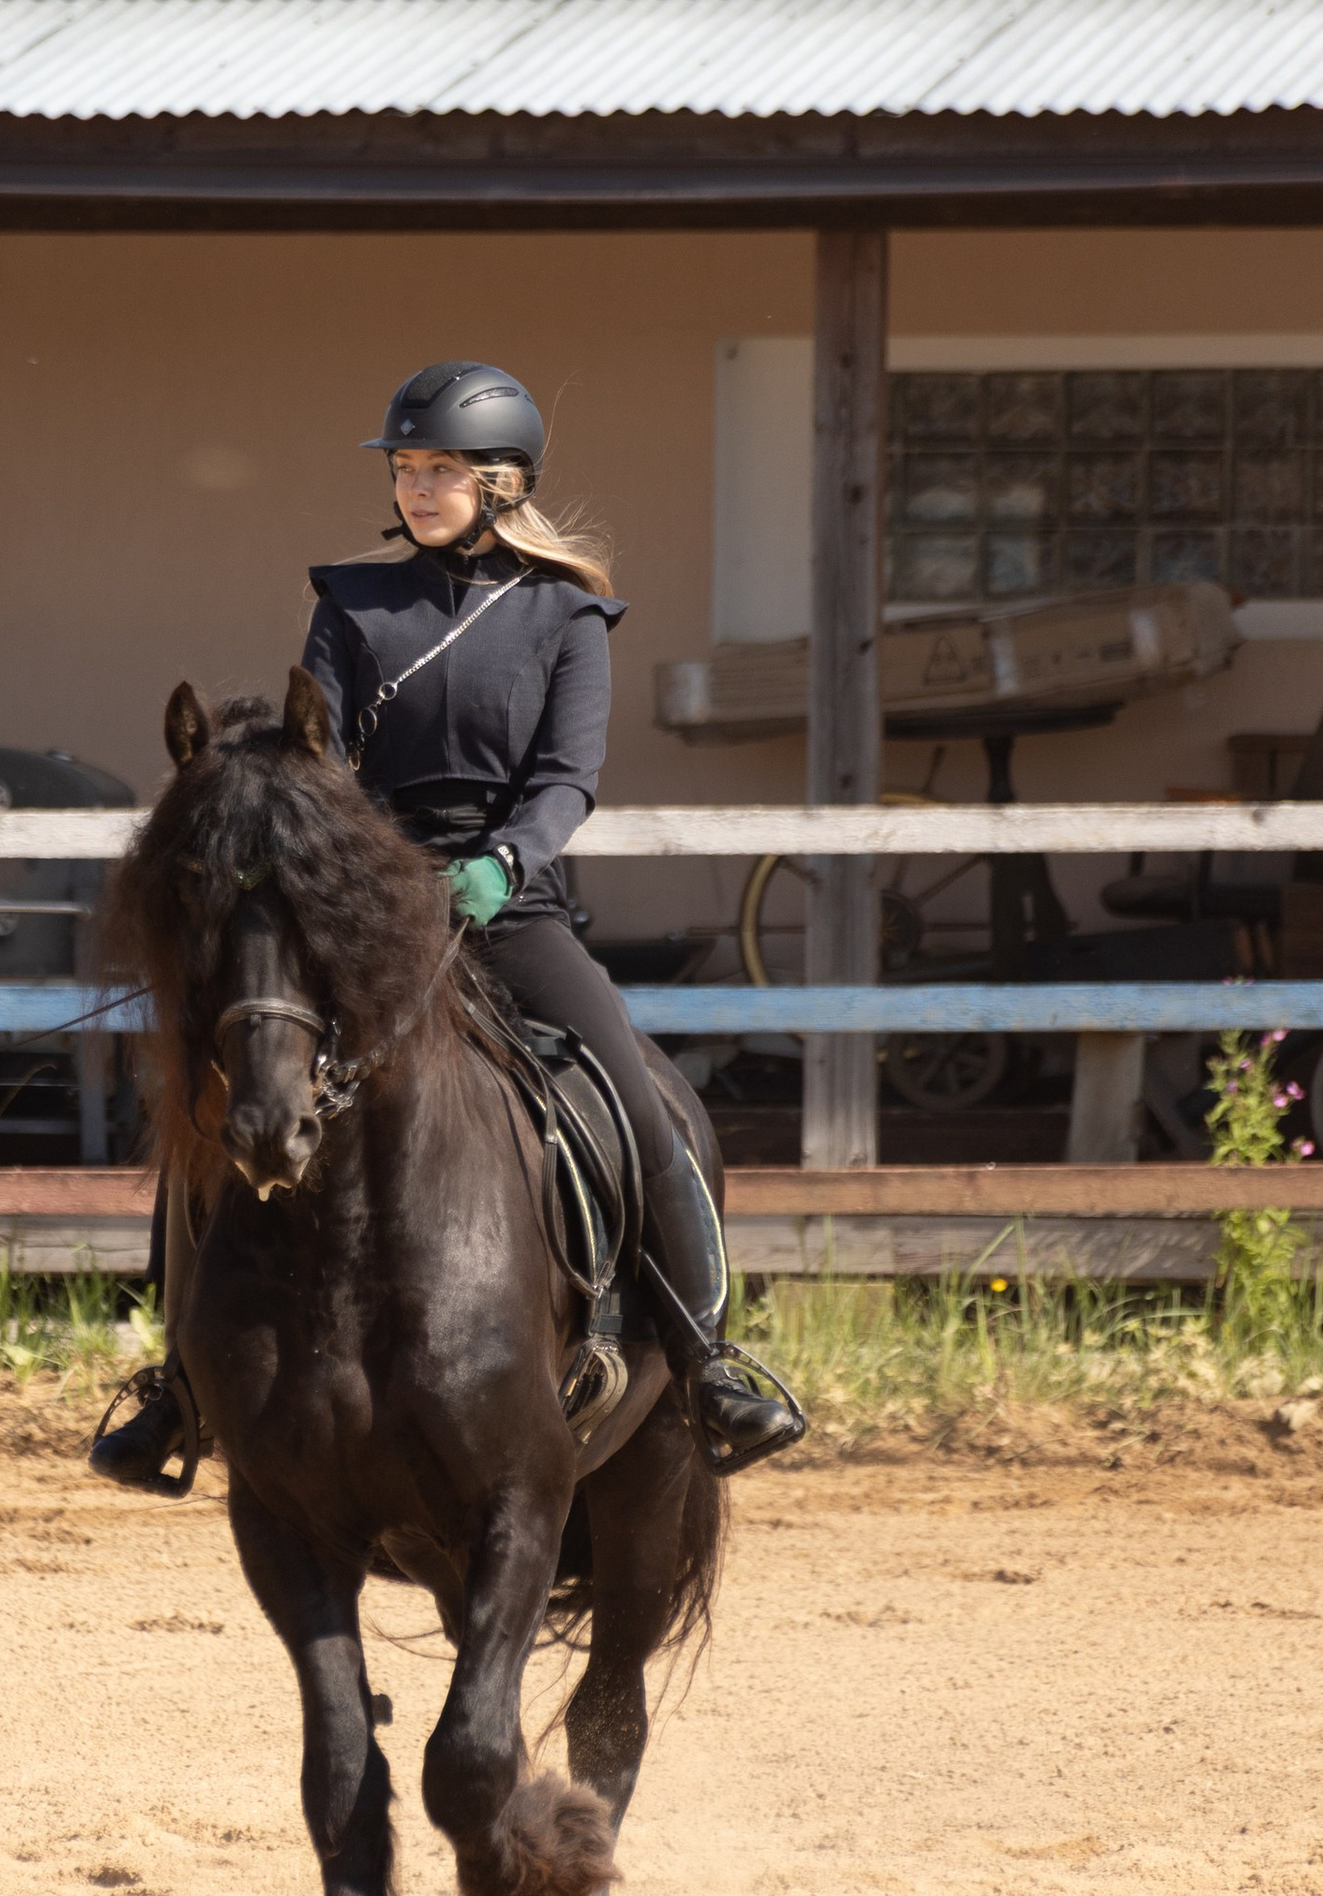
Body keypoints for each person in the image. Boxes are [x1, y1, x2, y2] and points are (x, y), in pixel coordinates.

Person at [91, 356, 804, 1490]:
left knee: (636, 1098)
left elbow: (569, 778)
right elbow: (317, 761)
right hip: (363, 904)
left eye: (443, 470)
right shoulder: (350, 603)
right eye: (408, 469)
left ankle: (707, 1359)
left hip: (506, 904)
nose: (419, 489)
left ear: (504, 482)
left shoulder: (566, 613)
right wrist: (358, 872)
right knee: (218, 1096)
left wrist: (504, 859)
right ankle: (174, 1388)